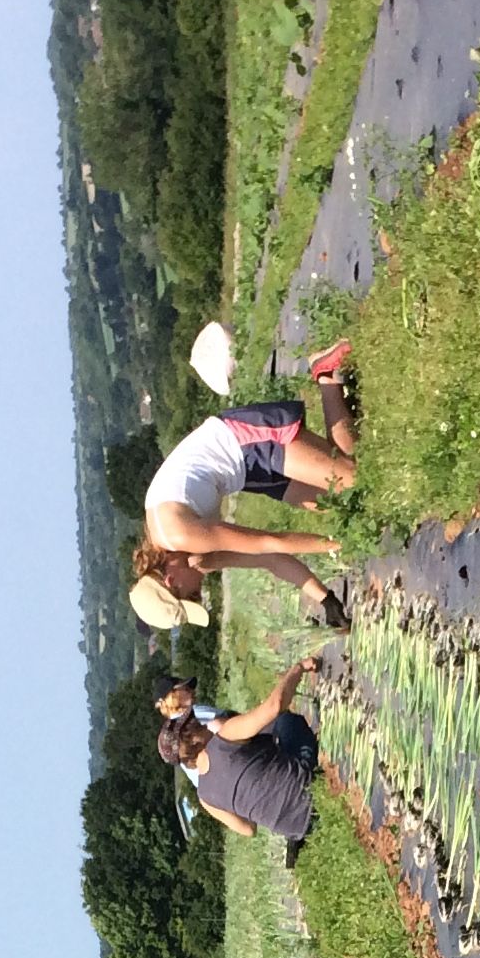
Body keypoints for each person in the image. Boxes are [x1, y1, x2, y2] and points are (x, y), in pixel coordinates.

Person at [129, 344, 359, 634]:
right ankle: (331, 383)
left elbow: (270, 542)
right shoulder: (192, 557)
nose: (200, 592)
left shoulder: (178, 534)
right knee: (341, 504)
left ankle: (325, 374)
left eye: (192, 596)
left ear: (170, 581)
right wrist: (325, 599)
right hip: (245, 473)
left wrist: (341, 545)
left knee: (352, 481)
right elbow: (268, 560)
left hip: (240, 441)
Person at [160, 655, 322, 861]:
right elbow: (275, 706)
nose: (199, 723)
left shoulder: (205, 797)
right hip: (309, 794)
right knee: (286, 721)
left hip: (296, 828)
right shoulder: (223, 737)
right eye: (194, 725)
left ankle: (295, 829)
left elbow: (248, 829)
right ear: (193, 739)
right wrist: (299, 668)